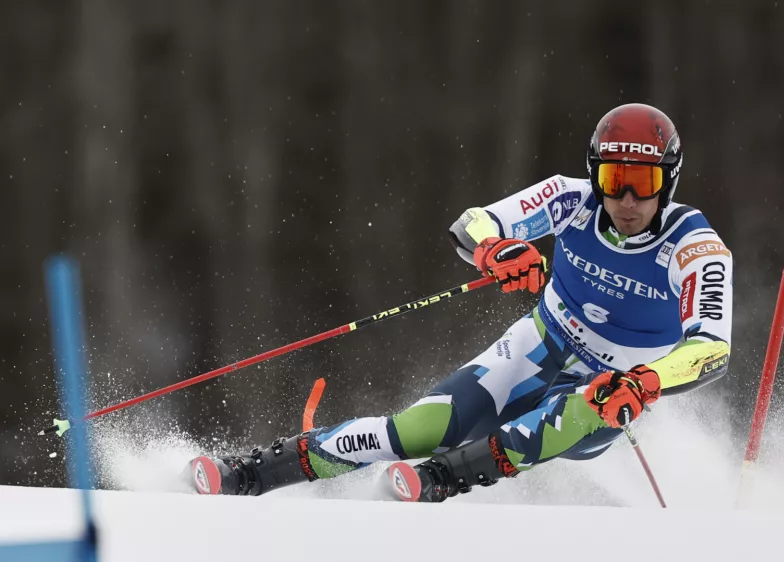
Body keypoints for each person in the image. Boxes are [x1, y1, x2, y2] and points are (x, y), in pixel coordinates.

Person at [186, 103, 733, 502]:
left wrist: (646, 382)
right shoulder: (574, 198)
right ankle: (252, 473)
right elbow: (474, 222)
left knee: (574, 410)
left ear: (669, 181)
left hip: (619, 383)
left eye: (644, 182)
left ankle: (441, 479)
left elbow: (711, 347)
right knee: (421, 428)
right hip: (545, 339)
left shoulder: (693, 245)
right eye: (615, 180)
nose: (627, 200)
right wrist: (496, 248)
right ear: (597, 175)